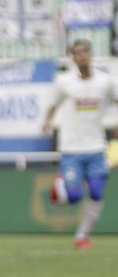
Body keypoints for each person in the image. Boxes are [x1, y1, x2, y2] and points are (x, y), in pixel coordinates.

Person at [42, 40, 112, 249]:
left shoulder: (105, 81)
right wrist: (46, 122)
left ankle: (82, 235)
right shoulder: (65, 81)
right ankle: (61, 186)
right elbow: (53, 104)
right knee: (73, 197)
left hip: (96, 147)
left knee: (97, 192)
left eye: (83, 53)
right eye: (76, 54)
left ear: (91, 55)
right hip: (71, 148)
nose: (80, 57)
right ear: (72, 58)